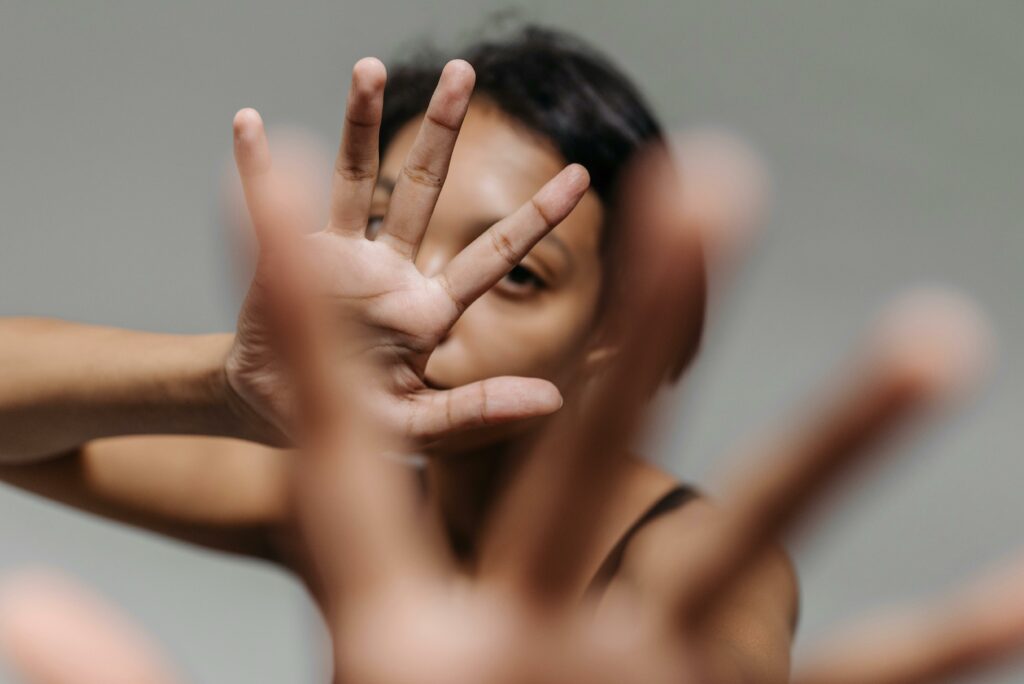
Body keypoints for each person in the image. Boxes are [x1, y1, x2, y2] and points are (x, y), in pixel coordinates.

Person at [0, 24, 799, 680]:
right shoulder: (339, 506)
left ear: (613, 329)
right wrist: (226, 388)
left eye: (518, 272)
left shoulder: (692, 556)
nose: (421, 306)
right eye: (390, 234)